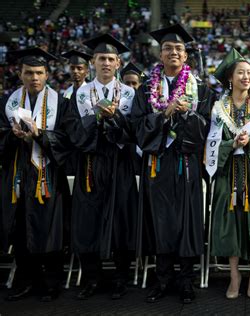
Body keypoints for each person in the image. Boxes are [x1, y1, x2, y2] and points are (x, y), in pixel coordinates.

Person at [131, 23, 215, 304]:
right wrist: (164, 114)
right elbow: (137, 126)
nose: (174, 52)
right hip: (157, 162)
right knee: (160, 221)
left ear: (186, 55)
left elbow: (205, 129)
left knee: (186, 222)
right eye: (168, 48)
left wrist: (185, 116)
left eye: (179, 48)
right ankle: (162, 279)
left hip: (187, 163)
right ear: (160, 54)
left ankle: (186, 281)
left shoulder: (200, 88)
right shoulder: (145, 88)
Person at [66, 33, 139, 300]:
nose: (106, 63)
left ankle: (121, 278)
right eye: (101, 59)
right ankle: (92, 278)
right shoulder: (80, 94)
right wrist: (96, 116)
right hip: (91, 163)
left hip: (120, 164)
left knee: (122, 219)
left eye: (111, 58)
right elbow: (73, 132)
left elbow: (136, 131)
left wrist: (116, 117)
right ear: (93, 62)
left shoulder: (131, 94)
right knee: (89, 221)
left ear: (119, 63)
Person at [0, 47, 70, 302]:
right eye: (29, 73)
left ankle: (52, 283)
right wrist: (13, 135)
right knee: (20, 229)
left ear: (47, 74)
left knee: (50, 229)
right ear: (20, 74)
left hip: (47, 174)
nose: (34, 78)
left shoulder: (61, 104)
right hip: (18, 173)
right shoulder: (7, 103)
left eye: (39, 72)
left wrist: (39, 134)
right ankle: (25, 280)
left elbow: (66, 139)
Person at [205, 48, 250, 299]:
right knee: (229, 222)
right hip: (227, 172)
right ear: (230, 78)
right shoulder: (217, 109)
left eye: (249, 73)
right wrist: (231, 145)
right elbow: (210, 143)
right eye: (241, 72)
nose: (246, 77)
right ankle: (234, 275)